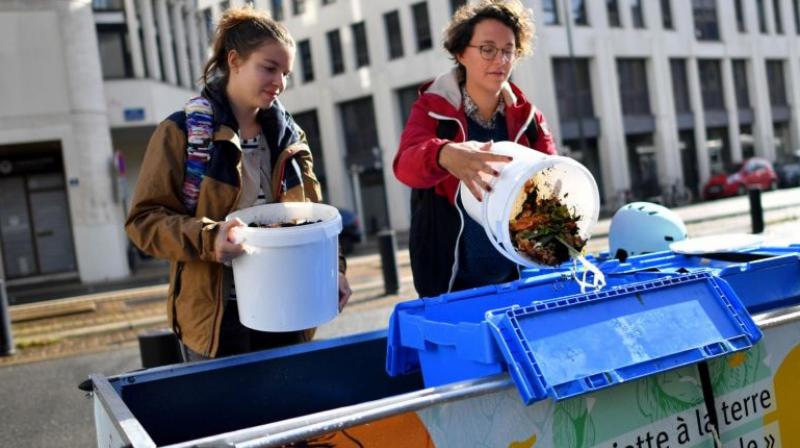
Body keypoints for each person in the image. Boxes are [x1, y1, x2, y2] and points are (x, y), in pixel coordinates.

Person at [126, 7, 351, 361]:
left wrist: (333, 271)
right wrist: (208, 237)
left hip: (288, 309)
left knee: (291, 413)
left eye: (286, 72)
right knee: (226, 416)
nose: (280, 81)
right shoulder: (181, 132)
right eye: (269, 67)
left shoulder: (291, 138)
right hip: (215, 321)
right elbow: (143, 222)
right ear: (235, 61)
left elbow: (317, 219)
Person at [393, 0, 557, 298]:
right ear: (460, 53)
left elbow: (555, 182)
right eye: (487, 48)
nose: (500, 59)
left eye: (509, 50)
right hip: (449, 283)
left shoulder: (528, 117)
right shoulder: (432, 108)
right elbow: (404, 166)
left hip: (517, 279)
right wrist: (444, 154)